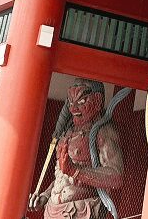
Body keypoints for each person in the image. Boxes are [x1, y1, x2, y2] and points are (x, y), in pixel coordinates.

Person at [30, 79, 125, 219]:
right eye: (70, 102)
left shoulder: (103, 131)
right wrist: (45, 195)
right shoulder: (67, 133)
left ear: (97, 100)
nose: (73, 109)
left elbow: (116, 177)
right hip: (53, 210)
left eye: (81, 101)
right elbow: (63, 176)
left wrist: (75, 171)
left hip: (82, 210)